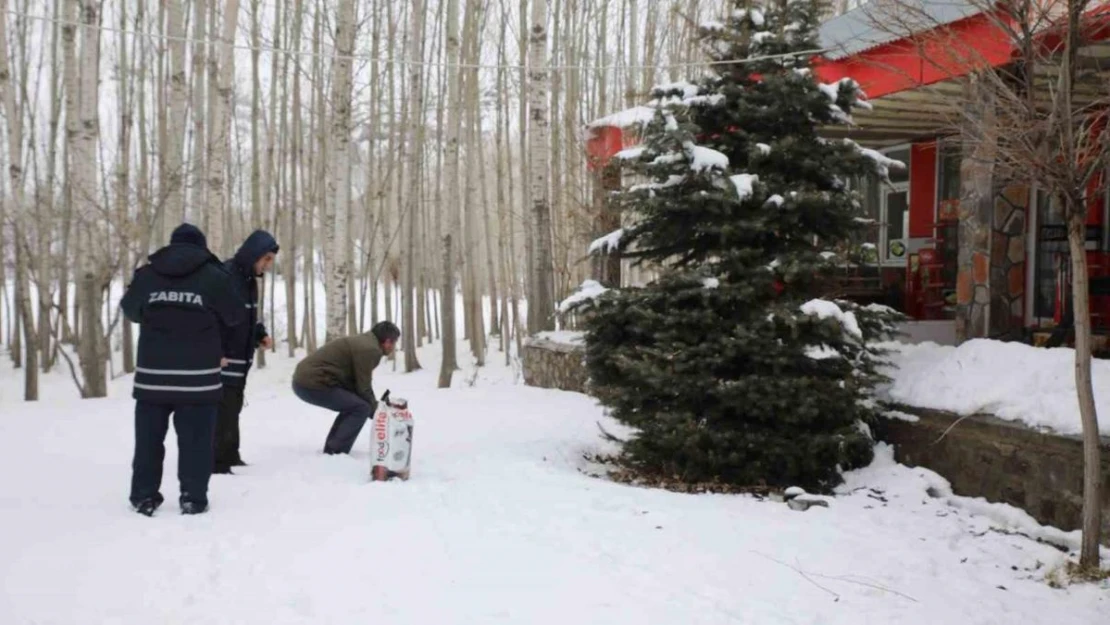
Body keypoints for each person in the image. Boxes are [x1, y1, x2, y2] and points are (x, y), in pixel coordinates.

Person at [120, 223, 246, 516]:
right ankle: (193, 497)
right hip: (199, 380)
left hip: (153, 379)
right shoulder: (215, 276)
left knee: (149, 442)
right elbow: (235, 315)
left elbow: (130, 310)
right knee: (196, 443)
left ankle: (143, 496)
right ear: (201, 248)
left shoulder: (147, 275)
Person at [213, 229, 279, 474]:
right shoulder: (227, 277)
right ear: (254, 255)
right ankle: (217, 462)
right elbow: (217, 319)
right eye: (267, 259)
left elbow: (246, 317)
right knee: (223, 411)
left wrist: (259, 334)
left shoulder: (250, 281)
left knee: (234, 407)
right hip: (225, 359)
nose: (268, 265)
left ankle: (231, 454)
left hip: (241, 359)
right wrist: (215, 351)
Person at [291, 321, 400, 455]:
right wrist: (378, 412)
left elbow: (356, 385)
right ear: (388, 341)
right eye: (394, 343)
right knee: (360, 408)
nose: (393, 347)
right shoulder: (370, 349)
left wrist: (376, 408)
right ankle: (335, 452)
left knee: (355, 404)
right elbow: (363, 387)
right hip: (313, 382)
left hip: (309, 380)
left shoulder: (366, 342)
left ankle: (333, 449)